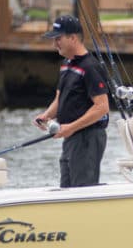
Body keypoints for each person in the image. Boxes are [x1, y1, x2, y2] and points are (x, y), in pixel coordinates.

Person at [34, 15, 110, 187]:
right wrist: (46, 116)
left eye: (58, 38)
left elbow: (102, 107)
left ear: (73, 38)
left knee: (81, 191)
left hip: (87, 138)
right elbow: (60, 99)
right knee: (66, 189)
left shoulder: (90, 67)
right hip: (70, 137)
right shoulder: (66, 64)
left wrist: (71, 127)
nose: (55, 44)